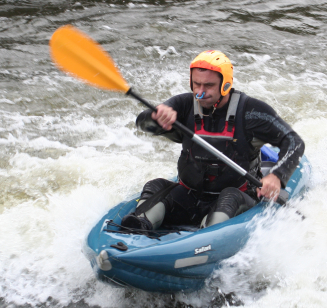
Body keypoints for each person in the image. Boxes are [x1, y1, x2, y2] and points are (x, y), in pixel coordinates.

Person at [121, 50, 305, 231]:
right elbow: (143, 123)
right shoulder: (183, 105)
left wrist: (276, 176)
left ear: (225, 84)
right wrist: (155, 117)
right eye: (196, 84)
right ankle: (136, 231)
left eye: (208, 85)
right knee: (155, 186)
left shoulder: (251, 111)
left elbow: (294, 141)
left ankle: (207, 235)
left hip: (237, 197)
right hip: (189, 195)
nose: (200, 92)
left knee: (229, 196)